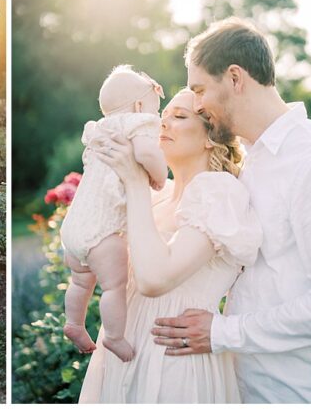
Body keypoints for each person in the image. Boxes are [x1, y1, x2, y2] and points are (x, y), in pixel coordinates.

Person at [146, 17, 311, 403]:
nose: (198, 105)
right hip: (242, 385)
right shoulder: (250, 163)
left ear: (235, 78)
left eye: (200, 89)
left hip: (299, 392)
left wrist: (222, 333)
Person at [79, 89, 262, 403]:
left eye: (179, 117)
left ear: (211, 136)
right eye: (162, 117)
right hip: (124, 350)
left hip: (174, 357)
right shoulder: (157, 195)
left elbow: (154, 279)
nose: (162, 125)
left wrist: (134, 181)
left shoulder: (219, 192)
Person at [59, 65, 168, 361]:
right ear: (139, 106)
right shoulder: (138, 123)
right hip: (103, 231)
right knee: (114, 287)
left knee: (80, 281)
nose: (157, 117)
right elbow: (147, 154)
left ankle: (74, 324)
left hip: (75, 226)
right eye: (155, 109)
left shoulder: (98, 130)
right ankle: (116, 337)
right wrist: (159, 175)